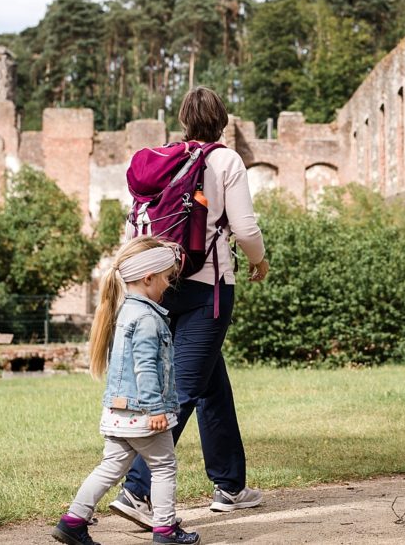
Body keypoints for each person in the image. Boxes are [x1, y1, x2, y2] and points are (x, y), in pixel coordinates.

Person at [110, 86, 270, 529]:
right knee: (182, 390)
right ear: (222, 121)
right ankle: (138, 491)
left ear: (183, 119)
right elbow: (244, 226)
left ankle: (231, 487)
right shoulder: (225, 160)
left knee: (211, 385)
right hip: (208, 286)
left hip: (160, 284)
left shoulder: (163, 160)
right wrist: (259, 260)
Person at [51, 236, 199, 545]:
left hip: (118, 412)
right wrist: (156, 408)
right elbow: (145, 368)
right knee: (163, 466)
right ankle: (165, 530)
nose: (168, 286)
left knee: (110, 467)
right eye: (166, 279)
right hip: (143, 413)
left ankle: (73, 521)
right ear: (148, 278)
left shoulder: (126, 313)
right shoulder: (147, 319)